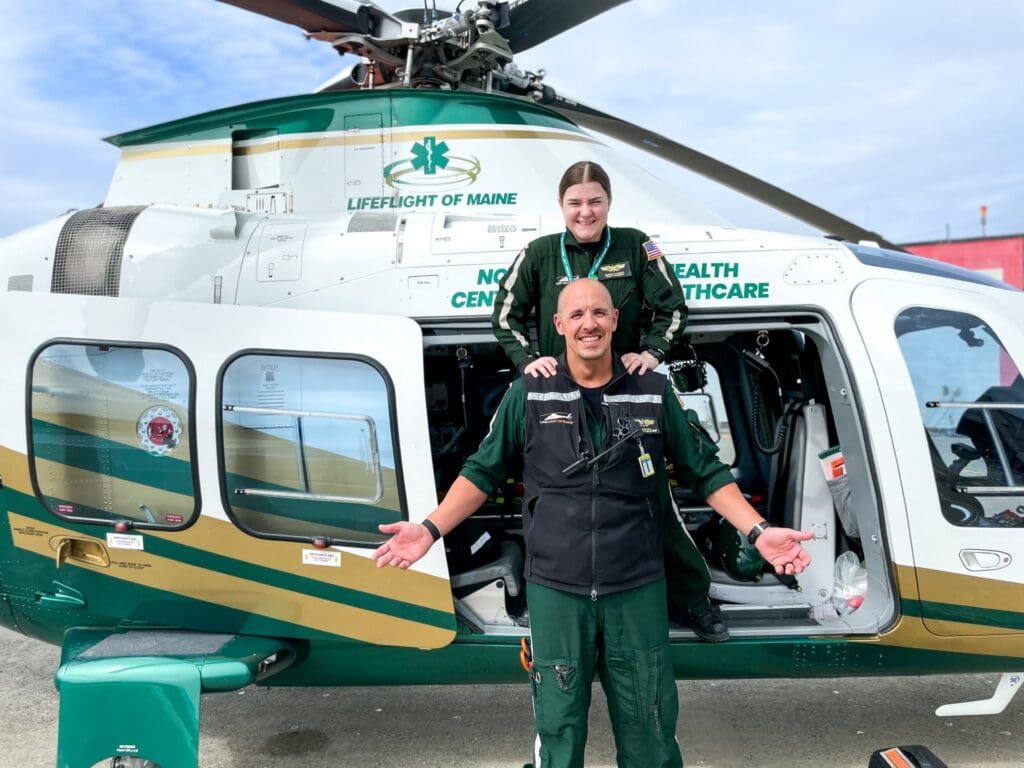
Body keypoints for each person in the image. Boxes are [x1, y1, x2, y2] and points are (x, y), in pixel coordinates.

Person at [375, 279, 813, 768]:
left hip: (636, 587)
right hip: (557, 589)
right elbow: (481, 471)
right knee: (559, 727)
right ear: (559, 326)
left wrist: (759, 531)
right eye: (577, 314)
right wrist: (430, 530)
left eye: (600, 312)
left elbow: (706, 471)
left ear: (614, 321)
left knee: (649, 727)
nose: (590, 323)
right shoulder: (529, 394)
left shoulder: (652, 391)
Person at [490, 160, 728, 641]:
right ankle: (554, 605)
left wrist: (653, 352)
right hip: (561, 402)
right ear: (561, 206)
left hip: (627, 395)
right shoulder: (538, 254)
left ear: (608, 203)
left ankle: (693, 600)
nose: (585, 211)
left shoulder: (637, 246)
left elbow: (674, 309)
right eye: (575, 202)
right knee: (559, 510)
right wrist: (527, 360)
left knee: (656, 505)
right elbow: (503, 316)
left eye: (594, 201)